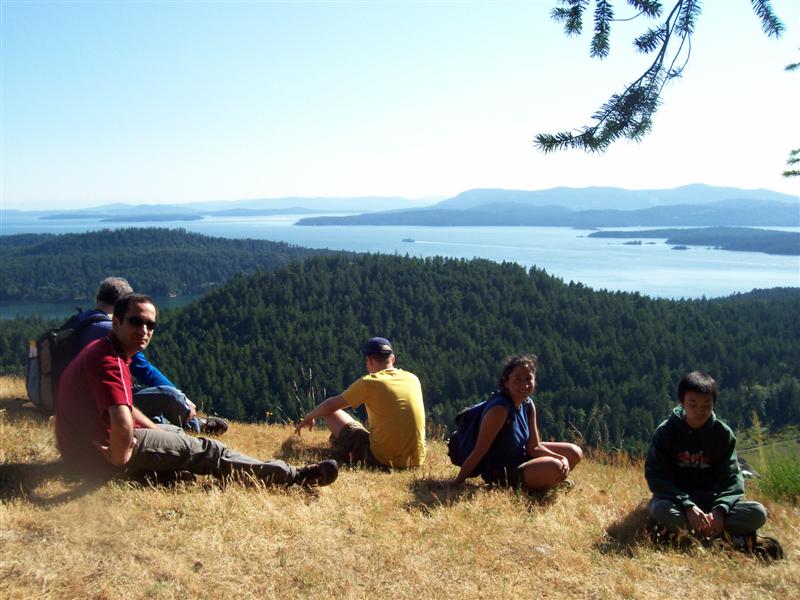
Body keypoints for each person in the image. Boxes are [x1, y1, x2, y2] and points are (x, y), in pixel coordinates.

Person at [55, 293, 338, 487]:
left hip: (79, 451)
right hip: (96, 456)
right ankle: (294, 477)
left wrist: (155, 431)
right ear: (116, 321)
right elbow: (121, 423)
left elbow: (126, 409)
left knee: (174, 434)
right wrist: (119, 459)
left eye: (150, 324)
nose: (144, 330)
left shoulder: (106, 349)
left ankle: (163, 473)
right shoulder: (111, 361)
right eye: (135, 321)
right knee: (208, 449)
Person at [77, 277, 225, 434]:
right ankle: (195, 426)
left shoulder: (79, 322)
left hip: (73, 404)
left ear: (98, 299)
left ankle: (167, 423)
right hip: (101, 403)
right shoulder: (113, 332)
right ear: (124, 306)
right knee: (169, 397)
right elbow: (143, 368)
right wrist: (181, 397)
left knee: (149, 401)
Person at [645, 371, 769, 545]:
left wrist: (719, 510)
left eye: (706, 405)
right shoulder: (667, 432)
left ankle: (687, 534)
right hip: (676, 501)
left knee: (758, 513)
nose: (699, 411)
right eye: (693, 404)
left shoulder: (722, 434)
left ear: (714, 404)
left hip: (711, 501)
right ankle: (725, 537)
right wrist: (687, 505)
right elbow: (656, 476)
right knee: (660, 509)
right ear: (682, 402)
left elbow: (732, 479)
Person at [453, 354, 582, 490]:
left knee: (574, 453)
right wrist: (457, 483)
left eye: (528, 379)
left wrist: (561, 458)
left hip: (522, 455)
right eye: (517, 379)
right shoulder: (499, 409)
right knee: (554, 466)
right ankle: (532, 484)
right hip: (503, 472)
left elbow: (534, 447)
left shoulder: (527, 404)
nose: (524, 384)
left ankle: (549, 481)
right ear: (506, 381)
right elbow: (480, 450)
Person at [294, 337, 426, 469]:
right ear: (393, 359)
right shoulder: (413, 378)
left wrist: (310, 416)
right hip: (416, 461)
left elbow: (330, 406)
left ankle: (342, 448)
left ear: (369, 360)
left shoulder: (370, 382)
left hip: (383, 460)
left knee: (331, 413)